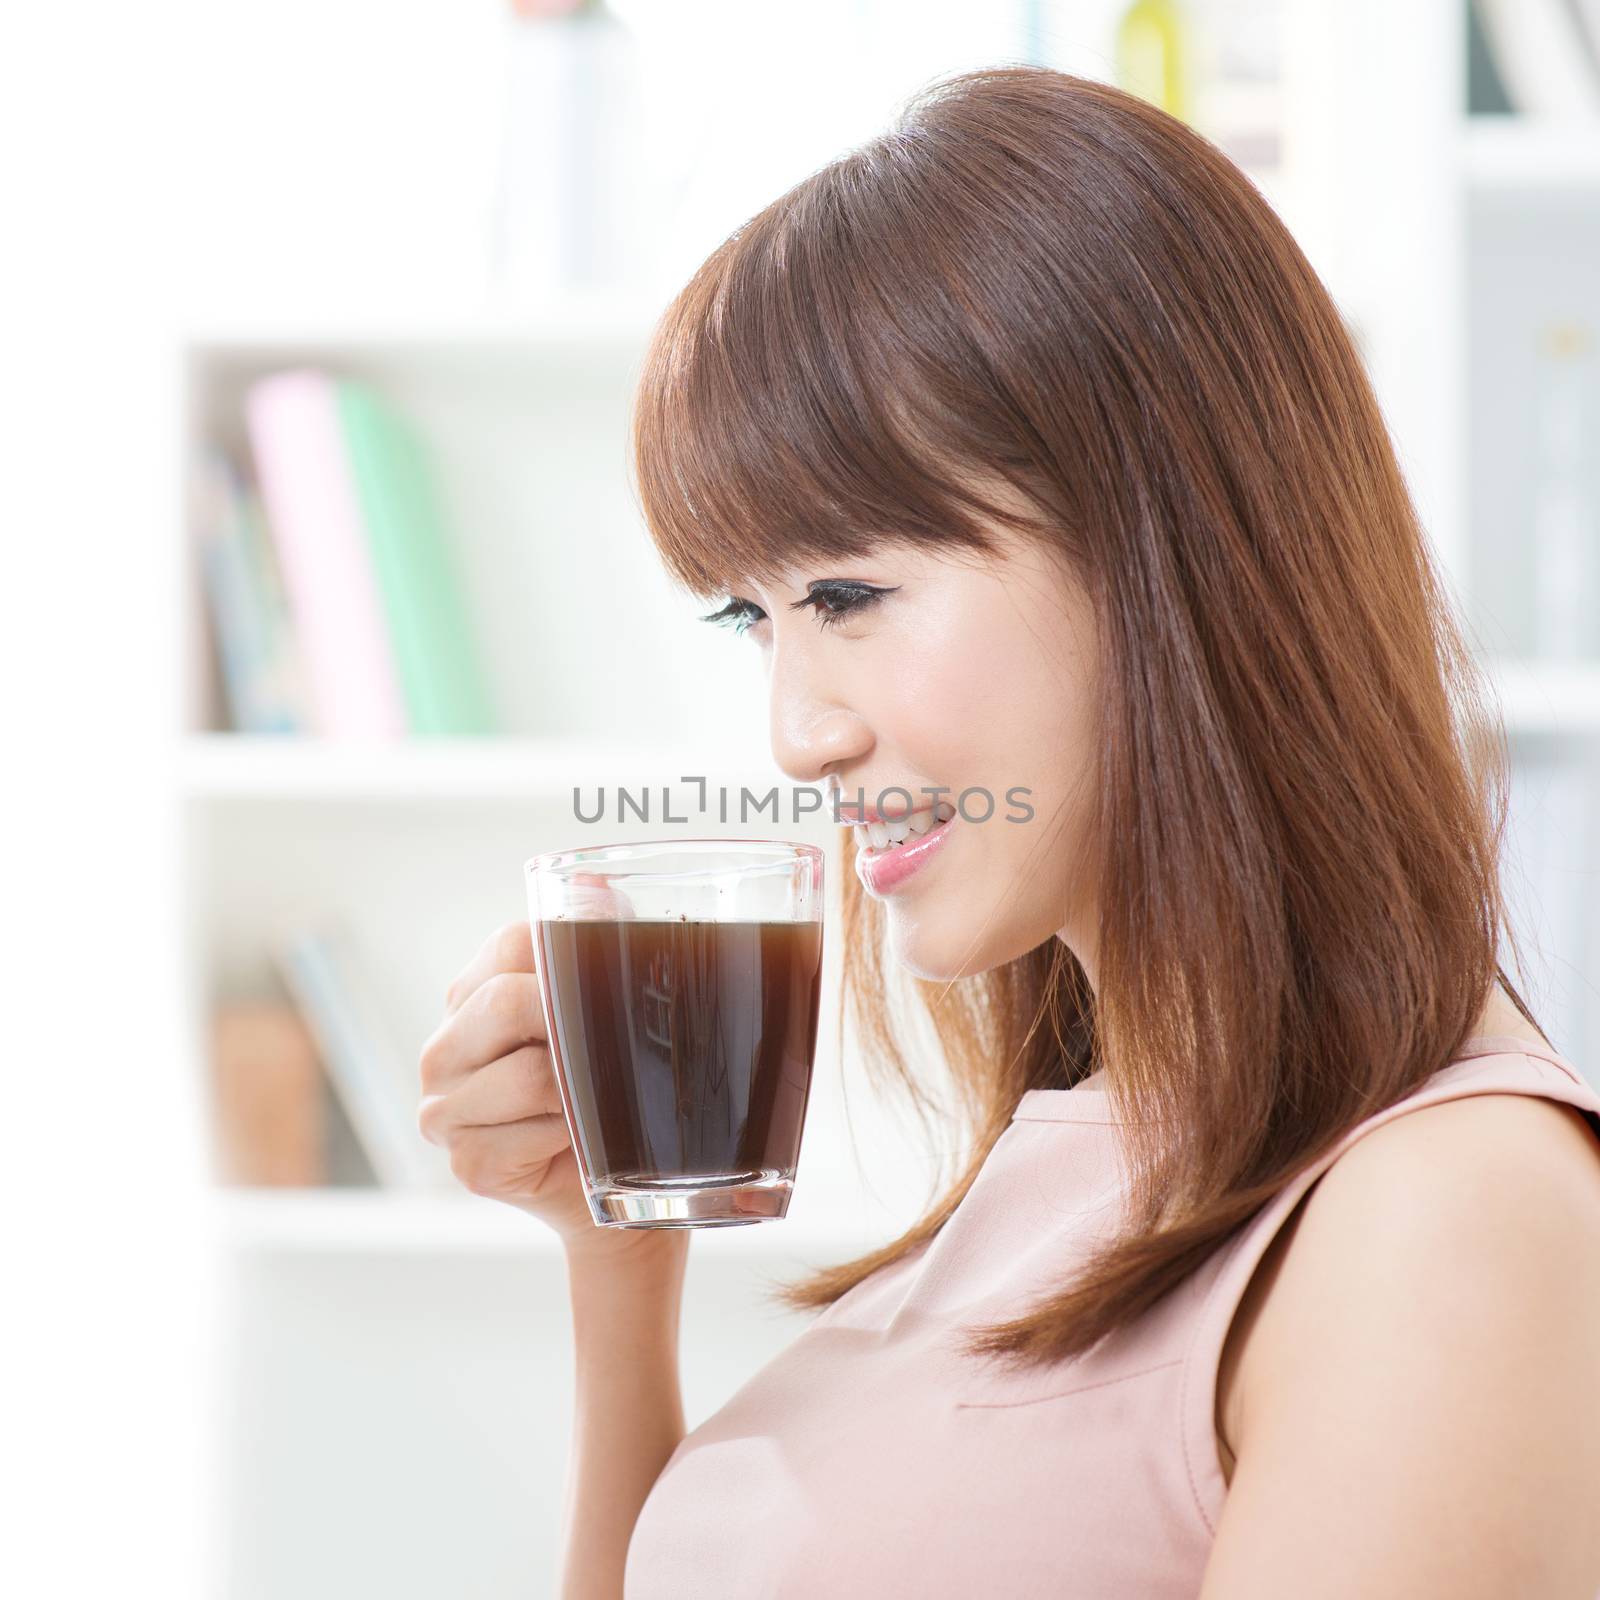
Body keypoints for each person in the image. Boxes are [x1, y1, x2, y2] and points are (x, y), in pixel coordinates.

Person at [416, 66, 1600, 1599]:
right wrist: (618, 1265)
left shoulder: (1448, 1213)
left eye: (848, 596)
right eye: (752, 620)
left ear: (1169, 544)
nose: (797, 734)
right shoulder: (1090, 1153)